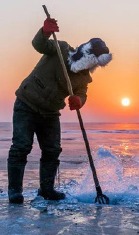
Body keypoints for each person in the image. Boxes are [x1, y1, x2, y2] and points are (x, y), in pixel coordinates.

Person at [7, 17, 112, 204]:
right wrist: (45, 31)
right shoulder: (60, 48)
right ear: (85, 53)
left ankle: (47, 190)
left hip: (50, 113)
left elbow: (83, 94)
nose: (91, 66)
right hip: (26, 103)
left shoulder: (83, 78)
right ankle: (14, 191)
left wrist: (79, 100)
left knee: (52, 150)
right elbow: (39, 44)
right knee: (21, 147)